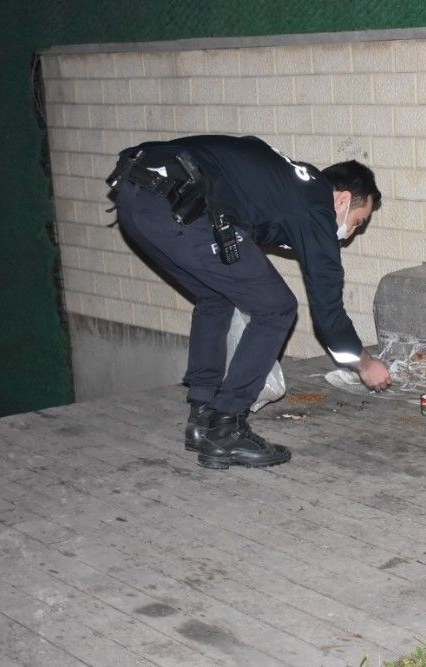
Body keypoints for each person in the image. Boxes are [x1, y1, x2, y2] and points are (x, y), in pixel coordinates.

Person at [108, 134, 391, 470]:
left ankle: (202, 417)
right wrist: (364, 363)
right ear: (342, 200)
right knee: (277, 308)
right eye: (357, 222)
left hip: (136, 196)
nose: (350, 234)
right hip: (181, 202)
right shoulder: (316, 205)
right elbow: (328, 313)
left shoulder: (285, 183)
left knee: (215, 295)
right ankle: (226, 426)